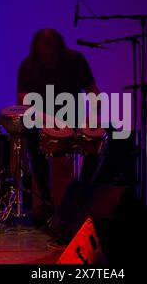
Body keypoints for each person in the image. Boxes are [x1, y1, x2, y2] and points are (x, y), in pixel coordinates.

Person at [17, 28, 102, 223]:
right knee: (32, 141)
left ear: (59, 49)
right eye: (45, 55)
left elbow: (93, 92)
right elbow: (23, 102)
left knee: (100, 141)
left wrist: (94, 116)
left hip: (73, 118)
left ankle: (83, 194)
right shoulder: (28, 65)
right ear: (37, 51)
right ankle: (46, 202)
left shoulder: (76, 60)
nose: (49, 59)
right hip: (42, 121)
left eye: (52, 54)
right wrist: (48, 118)